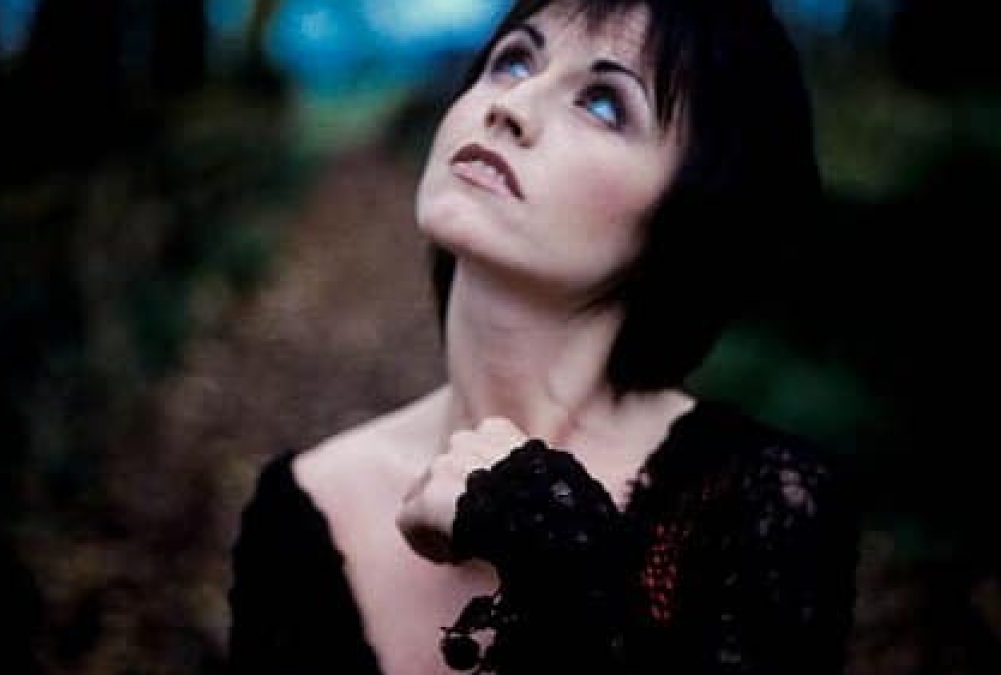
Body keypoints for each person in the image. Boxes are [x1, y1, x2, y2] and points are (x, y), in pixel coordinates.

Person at [228, 0, 859, 673]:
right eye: (512, 61)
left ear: (691, 217)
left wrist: (558, 553)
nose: (511, 105)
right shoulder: (302, 508)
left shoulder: (759, 503)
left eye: (604, 104)